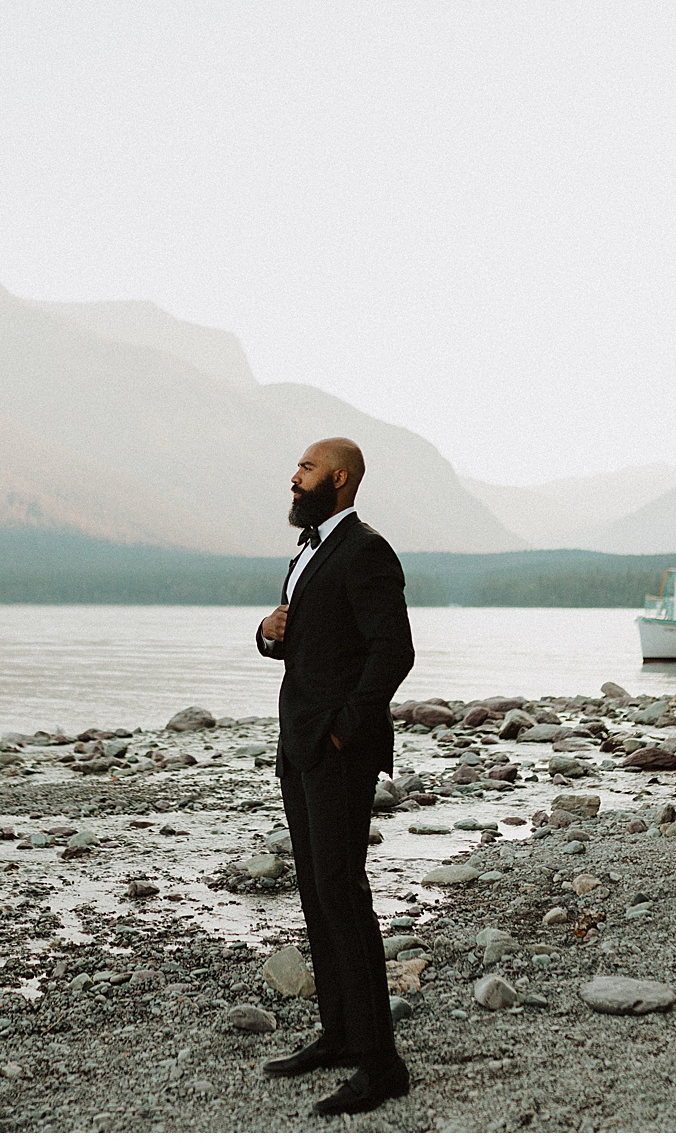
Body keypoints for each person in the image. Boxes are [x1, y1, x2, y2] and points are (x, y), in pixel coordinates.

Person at [255, 437, 415, 1115]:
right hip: (301, 746)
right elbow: (300, 640)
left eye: (307, 469)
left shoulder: (367, 550)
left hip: (337, 748)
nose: (295, 478)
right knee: (317, 894)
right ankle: (341, 1033)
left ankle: (381, 1064)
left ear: (340, 479)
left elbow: (394, 651)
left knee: (342, 891)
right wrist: (265, 632)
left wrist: (346, 727)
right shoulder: (309, 550)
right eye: (296, 469)